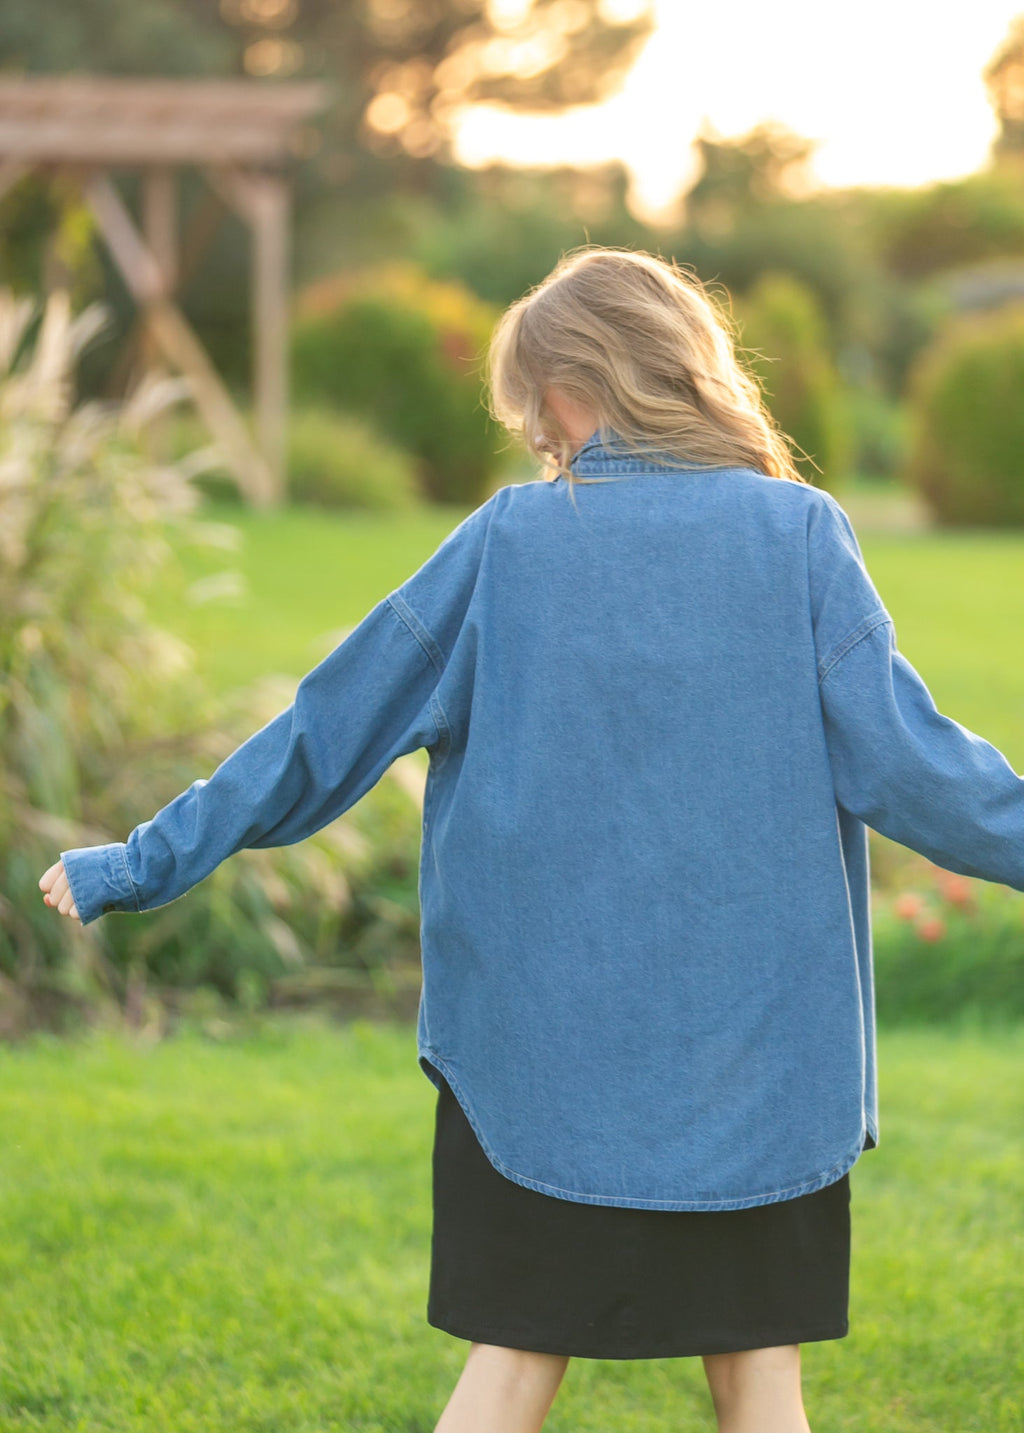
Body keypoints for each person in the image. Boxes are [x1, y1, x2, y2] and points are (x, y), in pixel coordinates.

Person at [39, 247, 1024, 1433]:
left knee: (510, 1367)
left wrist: (138, 860)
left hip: (541, 1077)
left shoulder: (506, 544)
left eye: (529, 401)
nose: (530, 431)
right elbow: (918, 769)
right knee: (760, 1380)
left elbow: (321, 734)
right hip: (757, 1075)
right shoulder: (800, 534)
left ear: (574, 381)